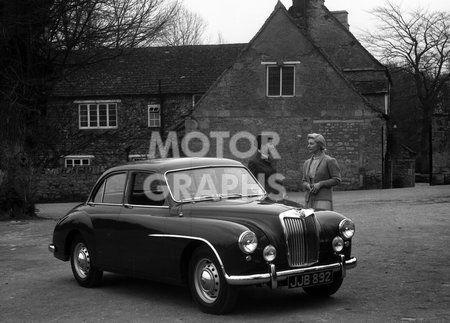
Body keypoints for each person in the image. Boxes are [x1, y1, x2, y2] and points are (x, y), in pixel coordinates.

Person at [302, 133, 341, 210]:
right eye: (308, 143)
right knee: (309, 221)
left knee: (322, 221)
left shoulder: (330, 161)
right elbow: (303, 181)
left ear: (319, 145)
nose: (308, 146)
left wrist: (320, 184)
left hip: (323, 200)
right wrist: (307, 185)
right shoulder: (306, 163)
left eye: (311, 144)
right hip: (309, 199)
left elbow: (337, 179)